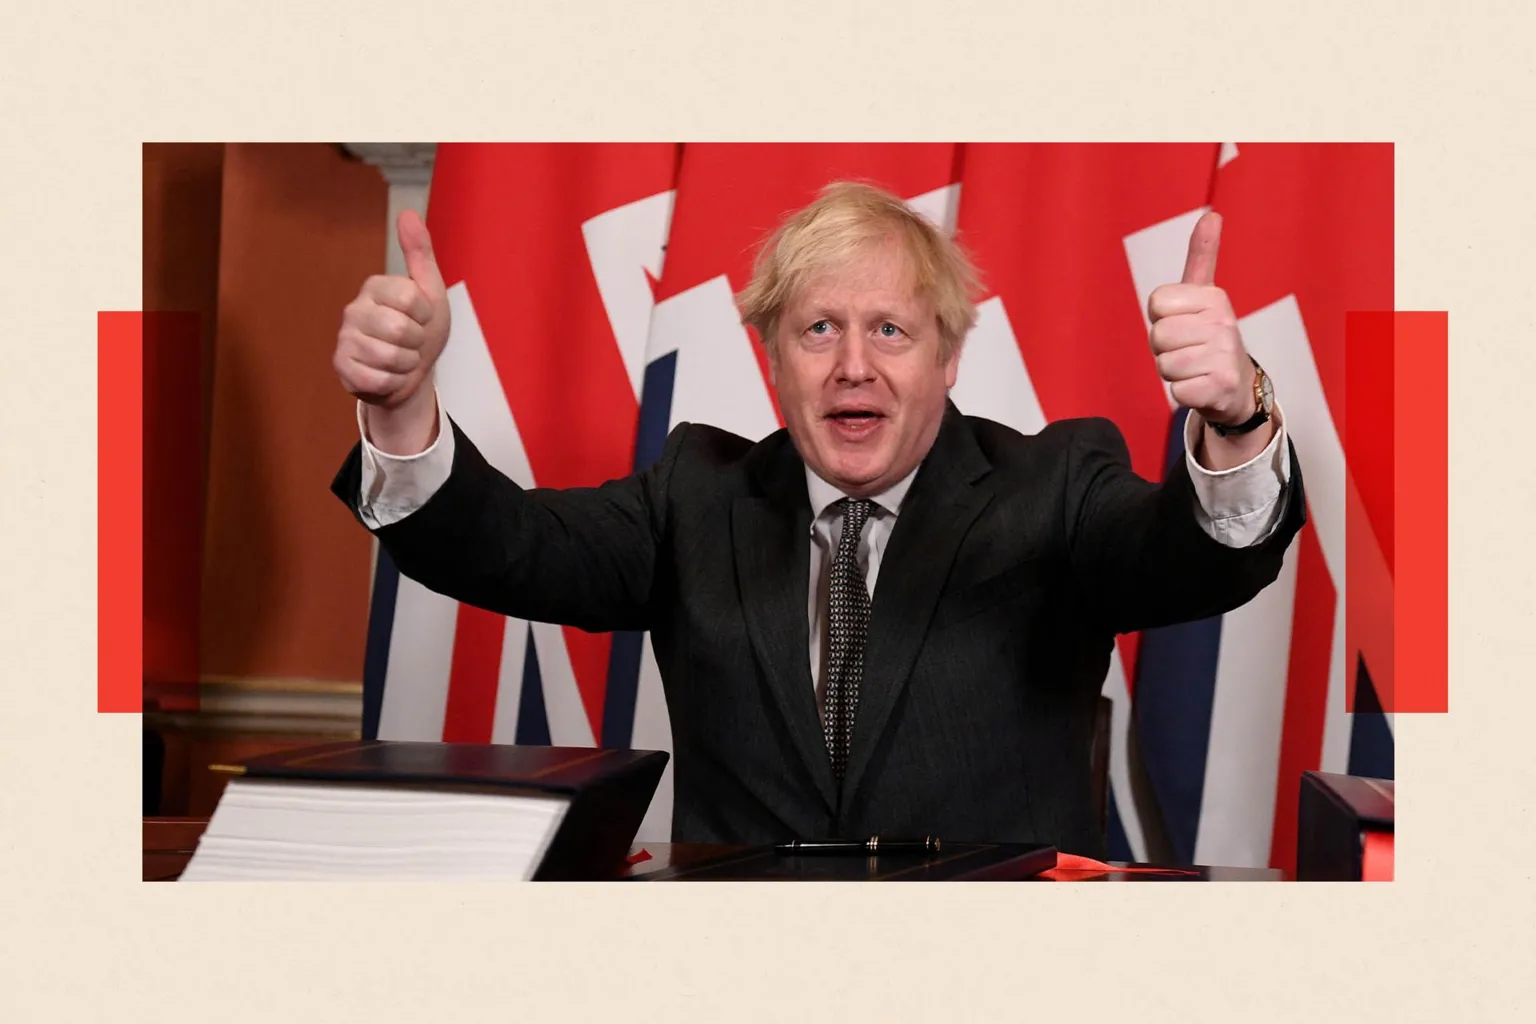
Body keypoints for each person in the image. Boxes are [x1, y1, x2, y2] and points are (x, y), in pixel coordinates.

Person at [330, 182, 1305, 857]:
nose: (853, 366)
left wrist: (1235, 414)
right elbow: (510, 549)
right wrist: (404, 408)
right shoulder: (695, 493)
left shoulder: (1052, 484)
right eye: (818, 329)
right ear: (771, 357)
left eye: (891, 329)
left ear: (947, 357)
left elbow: (1194, 559)